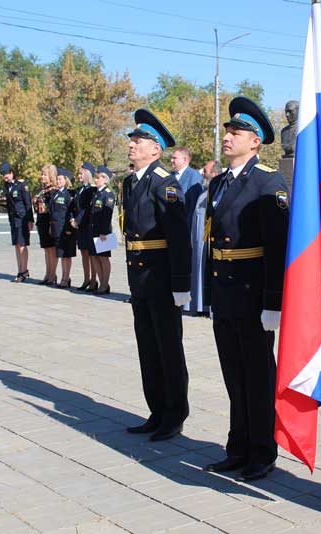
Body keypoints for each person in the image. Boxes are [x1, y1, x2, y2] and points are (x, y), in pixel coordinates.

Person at [203, 97, 289, 482]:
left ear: (255, 141)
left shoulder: (268, 181)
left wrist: (274, 301)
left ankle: (262, 450)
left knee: (256, 376)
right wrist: (207, 293)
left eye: (236, 132)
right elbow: (211, 240)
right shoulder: (219, 181)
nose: (227, 136)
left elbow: (277, 245)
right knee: (233, 375)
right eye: (227, 130)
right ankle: (237, 447)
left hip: (253, 293)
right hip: (224, 292)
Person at [123, 108, 191, 442]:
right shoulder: (130, 182)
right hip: (140, 279)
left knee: (167, 347)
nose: (133, 145)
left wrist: (181, 285)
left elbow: (179, 239)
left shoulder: (165, 185)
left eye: (140, 141)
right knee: (147, 346)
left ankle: (174, 414)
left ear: (156, 149)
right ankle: (156, 409)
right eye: (132, 140)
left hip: (161, 278)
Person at [185, 160, 222, 315]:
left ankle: (208, 305)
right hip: (197, 239)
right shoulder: (204, 192)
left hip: (208, 240)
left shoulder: (219, 191)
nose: (203, 174)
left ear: (214, 173)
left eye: (205, 171)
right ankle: (198, 304)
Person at [2, 162, 33, 283]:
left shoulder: (21, 185)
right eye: (3, 175)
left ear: (11, 173)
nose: (5, 177)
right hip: (13, 219)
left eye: (6, 174)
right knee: (16, 245)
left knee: (22, 245)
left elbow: (28, 203)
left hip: (22, 218)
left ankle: (23, 270)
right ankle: (20, 269)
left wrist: (30, 220)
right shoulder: (6, 185)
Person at [69, 162, 98, 291]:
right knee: (83, 253)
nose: (79, 176)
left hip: (87, 225)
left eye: (81, 173)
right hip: (79, 226)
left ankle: (93, 280)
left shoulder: (92, 189)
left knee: (92, 254)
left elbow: (86, 209)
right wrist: (72, 218)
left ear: (87, 174)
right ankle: (86, 279)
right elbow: (74, 206)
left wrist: (78, 220)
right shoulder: (79, 189)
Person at [89, 166, 115, 294]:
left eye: (98, 177)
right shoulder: (97, 193)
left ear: (105, 179)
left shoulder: (108, 194)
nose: (96, 179)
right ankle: (102, 282)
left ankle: (105, 283)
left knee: (103, 257)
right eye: (96, 177)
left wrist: (104, 232)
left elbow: (107, 214)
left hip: (104, 231)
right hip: (94, 230)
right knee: (94, 257)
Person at [50, 167, 76, 288]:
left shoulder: (68, 194)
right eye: (57, 179)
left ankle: (66, 278)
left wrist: (69, 229)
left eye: (60, 179)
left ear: (66, 180)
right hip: (57, 228)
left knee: (66, 255)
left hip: (65, 229)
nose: (58, 181)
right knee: (61, 255)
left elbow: (70, 212)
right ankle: (63, 277)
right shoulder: (56, 193)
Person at [170, 147, 204, 231]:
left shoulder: (194, 176)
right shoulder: (170, 176)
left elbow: (194, 205)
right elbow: (170, 199)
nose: (171, 160)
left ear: (184, 159)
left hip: (185, 227)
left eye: (174, 158)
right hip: (171, 225)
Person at [33, 165, 57, 285]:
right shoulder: (41, 189)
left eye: (45, 174)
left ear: (51, 176)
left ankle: (53, 275)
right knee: (46, 249)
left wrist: (51, 225)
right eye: (42, 174)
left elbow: (53, 209)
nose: (42, 176)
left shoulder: (53, 191)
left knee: (52, 249)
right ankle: (48, 274)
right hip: (41, 220)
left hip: (49, 221)